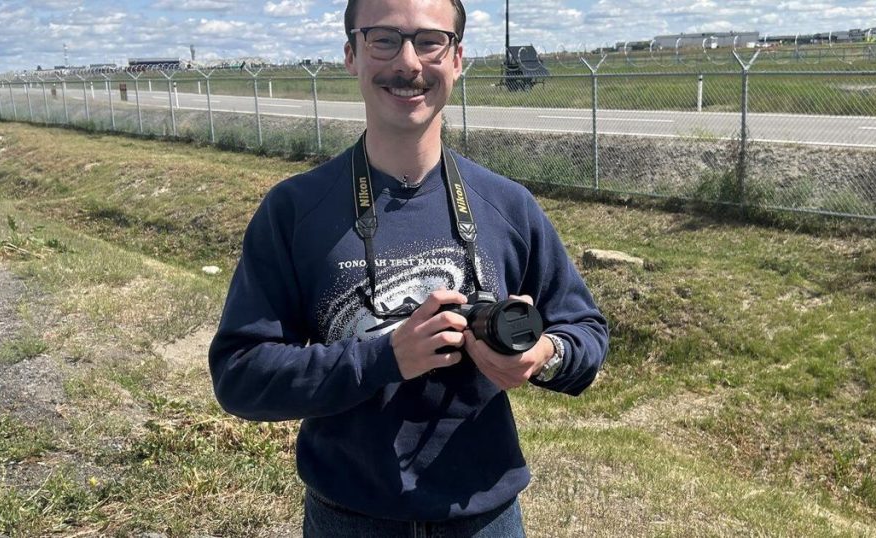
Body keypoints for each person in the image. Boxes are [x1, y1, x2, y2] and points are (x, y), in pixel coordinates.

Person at [208, 0, 609, 534]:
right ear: (351, 54)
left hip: (484, 516)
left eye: (429, 41)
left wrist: (544, 356)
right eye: (383, 39)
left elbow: (586, 332)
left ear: (458, 58)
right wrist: (383, 357)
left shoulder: (508, 206)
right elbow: (240, 375)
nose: (409, 63)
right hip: (348, 517)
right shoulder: (295, 211)